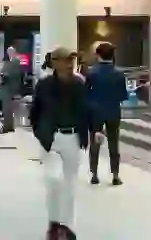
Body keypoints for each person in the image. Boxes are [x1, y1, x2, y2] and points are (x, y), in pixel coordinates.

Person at [30, 46, 90, 239]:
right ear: (55, 63)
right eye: (66, 60)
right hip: (51, 138)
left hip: (73, 137)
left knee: (70, 183)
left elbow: (86, 109)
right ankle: (54, 221)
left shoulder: (79, 84)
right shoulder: (44, 85)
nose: (70, 64)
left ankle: (66, 226)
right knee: (53, 180)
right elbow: (35, 112)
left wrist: (94, 130)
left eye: (72, 60)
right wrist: (40, 132)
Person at [86, 42, 128, 186]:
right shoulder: (119, 74)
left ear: (98, 55)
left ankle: (94, 174)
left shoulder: (92, 73)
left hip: (96, 112)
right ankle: (115, 175)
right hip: (113, 112)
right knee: (114, 143)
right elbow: (123, 96)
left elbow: (86, 93)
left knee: (94, 143)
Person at [0, 47, 25, 135]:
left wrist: (4, 75)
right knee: (7, 108)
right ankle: (9, 126)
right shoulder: (10, 62)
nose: (9, 53)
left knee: (7, 108)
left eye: (10, 52)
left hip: (10, 88)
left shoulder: (15, 62)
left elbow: (15, 74)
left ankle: (7, 126)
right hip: (7, 87)